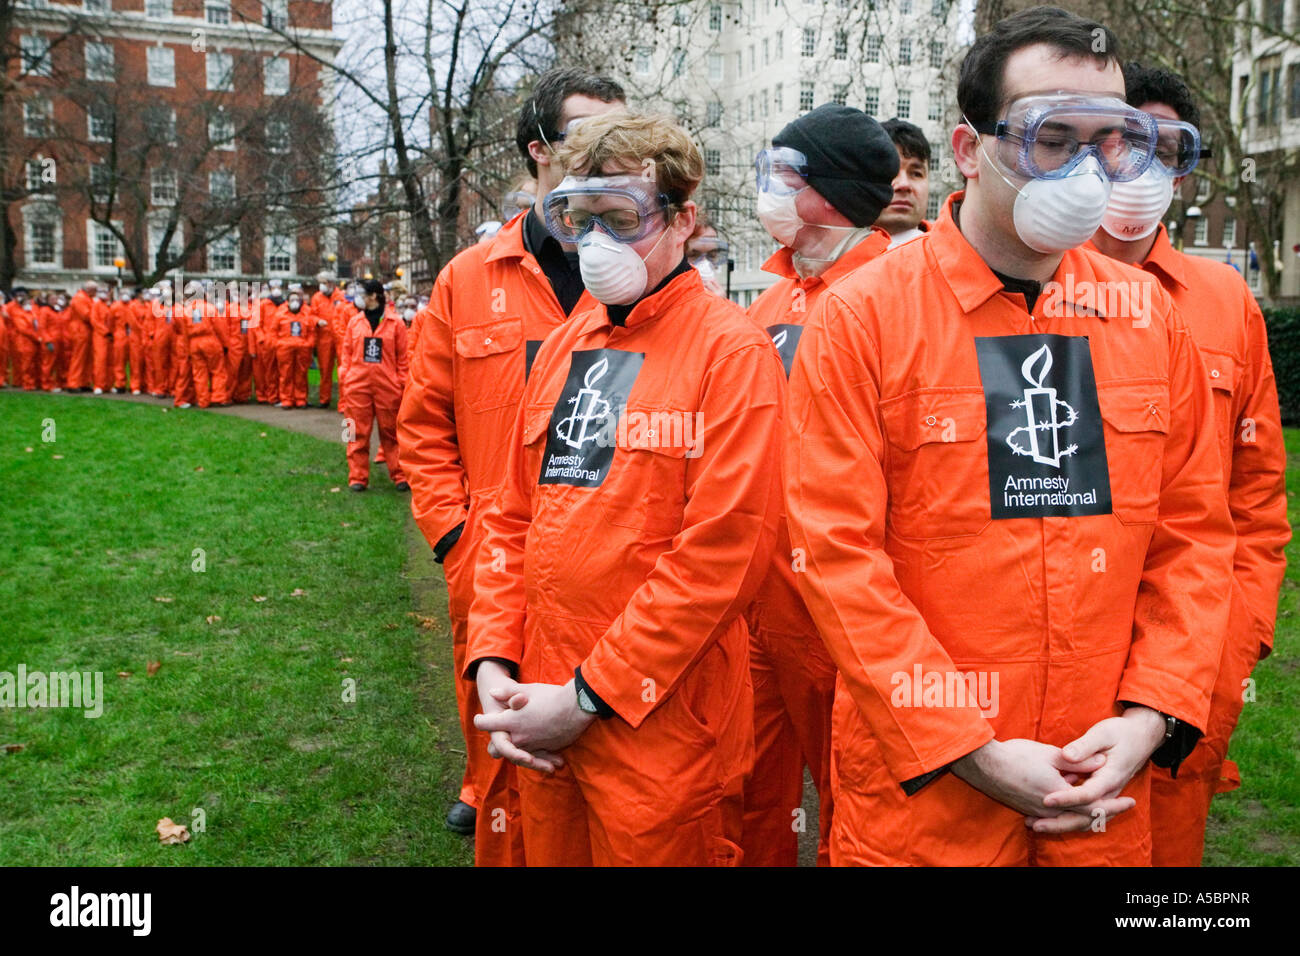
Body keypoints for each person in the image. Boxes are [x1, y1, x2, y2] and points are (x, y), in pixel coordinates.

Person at [784, 6, 1235, 866]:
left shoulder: (1146, 316)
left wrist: (1150, 716)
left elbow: (1193, 539)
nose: (1087, 171)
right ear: (969, 148)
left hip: (1099, 781)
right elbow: (836, 559)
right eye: (1051, 138)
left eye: (1111, 142)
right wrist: (968, 749)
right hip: (926, 802)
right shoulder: (863, 317)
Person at [465, 109, 785, 866]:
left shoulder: (731, 355)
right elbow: (510, 515)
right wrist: (493, 660)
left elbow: (722, 557)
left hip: (662, 726)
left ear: (683, 221)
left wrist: (587, 696)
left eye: (623, 219)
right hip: (543, 704)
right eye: (581, 221)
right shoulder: (566, 346)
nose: (599, 243)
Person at [397, 65, 624, 864]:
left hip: (602, 564)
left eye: (620, 137)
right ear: (539, 151)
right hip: (490, 555)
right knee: (494, 717)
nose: (609, 153)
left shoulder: (637, 277)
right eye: (589, 136)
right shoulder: (468, 280)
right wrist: (455, 539)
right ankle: (484, 793)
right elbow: (423, 426)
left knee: (594, 730)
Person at [1088, 64, 1290, 866]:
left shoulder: (1225, 301)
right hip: (1061, 642)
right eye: (1119, 141)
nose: (1138, 165)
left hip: (1190, 654)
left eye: (1163, 148)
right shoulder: (1031, 287)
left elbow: (1258, 497)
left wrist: (1232, 645)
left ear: (1184, 167)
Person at [741, 104, 899, 867]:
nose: (769, 186)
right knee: (746, 785)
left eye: (787, 172)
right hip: (755, 603)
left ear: (830, 192)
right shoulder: (771, 301)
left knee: (851, 794)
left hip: (843, 611)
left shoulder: (893, 295)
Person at [340, 279, 409, 491]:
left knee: (392, 433)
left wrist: (400, 383)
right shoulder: (354, 322)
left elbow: (403, 358)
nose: (358, 297)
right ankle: (357, 477)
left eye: (362, 293)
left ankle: (400, 474)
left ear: (373, 296)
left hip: (387, 387)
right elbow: (346, 353)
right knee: (354, 432)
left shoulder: (396, 323)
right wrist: (346, 377)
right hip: (357, 386)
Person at [876, 118, 932, 247]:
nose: (903, 184)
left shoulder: (953, 254)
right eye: (890, 172)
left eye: (916, 174)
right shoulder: (834, 254)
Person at [183, 281, 230, 408]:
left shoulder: (186, 310)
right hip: (210, 341)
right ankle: (218, 398)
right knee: (218, 370)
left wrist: (187, 350)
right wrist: (225, 344)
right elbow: (220, 328)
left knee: (199, 373)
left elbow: (184, 333)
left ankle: (203, 401)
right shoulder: (209, 308)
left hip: (194, 343)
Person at [275, 286, 315, 409]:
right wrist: (279, 344)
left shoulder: (306, 314)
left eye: (297, 300)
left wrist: (308, 344)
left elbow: (312, 332)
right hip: (285, 349)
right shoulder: (280, 314)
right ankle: (286, 399)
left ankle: (300, 399)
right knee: (285, 375)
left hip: (302, 349)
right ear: (287, 302)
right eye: (292, 300)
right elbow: (273, 332)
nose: (295, 302)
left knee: (301, 374)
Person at [309, 271, 341, 408]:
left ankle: (344, 401)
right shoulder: (317, 297)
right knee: (325, 369)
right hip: (324, 337)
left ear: (331, 283)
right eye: (320, 283)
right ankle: (324, 399)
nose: (321, 285)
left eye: (324, 282)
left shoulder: (341, 296)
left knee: (343, 370)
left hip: (339, 336)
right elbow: (311, 315)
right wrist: (317, 321)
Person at [255, 280, 285, 405]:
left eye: (278, 287)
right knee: (270, 372)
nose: (276, 289)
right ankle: (272, 397)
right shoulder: (263, 305)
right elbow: (257, 324)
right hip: (269, 342)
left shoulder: (285, 304)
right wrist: (263, 339)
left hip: (283, 342)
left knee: (283, 371)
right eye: (274, 287)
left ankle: (283, 396)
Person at [5, 288, 41, 390]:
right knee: (23, 362)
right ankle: (24, 382)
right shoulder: (14, 309)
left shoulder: (33, 310)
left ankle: (24, 382)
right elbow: (22, 328)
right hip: (21, 339)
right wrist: (37, 337)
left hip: (30, 340)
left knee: (29, 363)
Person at [65, 280, 97, 391]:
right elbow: (86, 315)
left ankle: (84, 382)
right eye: (95, 290)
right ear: (89, 289)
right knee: (78, 358)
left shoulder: (87, 298)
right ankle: (73, 383)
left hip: (85, 331)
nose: (96, 292)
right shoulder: (80, 298)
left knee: (87, 359)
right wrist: (99, 315)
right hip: (80, 331)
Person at [146, 284, 174, 398]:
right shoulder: (155, 305)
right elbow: (149, 321)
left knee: (173, 364)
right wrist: (152, 334)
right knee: (159, 364)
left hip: (173, 337)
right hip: (159, 337)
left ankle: (171, 387)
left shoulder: (173, 305)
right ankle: (160, 388)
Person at [91, 284, 113, 394]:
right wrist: (106, 331)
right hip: (101, 336)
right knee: (100, 361)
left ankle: (108, 385)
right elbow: (94, 321)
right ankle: (98, 385)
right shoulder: (96, 305)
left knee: (110, 361)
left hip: (109, 337)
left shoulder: (108, 305)